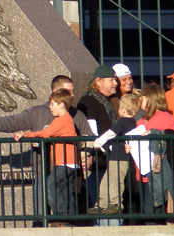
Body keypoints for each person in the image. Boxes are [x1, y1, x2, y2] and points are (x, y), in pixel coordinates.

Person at [0, 74, 92, 221]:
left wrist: (87, 156)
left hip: (67, 171)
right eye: (68, 91)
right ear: (55, 93)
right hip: (42, 171)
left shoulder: (77, 115)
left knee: (68, 210)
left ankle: (66, 225)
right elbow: (12, 122)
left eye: (72, 91)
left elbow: (89, 139)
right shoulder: (36, 112)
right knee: (41, 215)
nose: (73, 94)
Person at [14, 89, 80, 223]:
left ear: (61, 104)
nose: (50, 107)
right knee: (63, 188)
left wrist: (25, 134)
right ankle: (68, 217)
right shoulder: (62, 119)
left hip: (66, 161)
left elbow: (46, 133)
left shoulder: (63, 119)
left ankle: (60, 216)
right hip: (66, 161)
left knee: (50, 185)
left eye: (52, 104)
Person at [134, 83, 174, 218]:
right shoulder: (141, 120)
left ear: (151, 98)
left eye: (143, 96)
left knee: (154, 217)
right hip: (141, 174)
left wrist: (155, 133)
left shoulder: (165, 117)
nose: (140, 99)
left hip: (157, 174)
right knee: (147, 215)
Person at [77, 65, 119, 209]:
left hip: (106, 161)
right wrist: (92, 155)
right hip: (97, 165)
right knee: (101, 206)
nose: (116, 83)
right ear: (99, 81)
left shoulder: (105, 100)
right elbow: (90, 133)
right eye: (112, 80)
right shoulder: (89, 101)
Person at [90, 92, 139, 215]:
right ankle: (102, 204)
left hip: (119, 158)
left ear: (122, 109)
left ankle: (114, 203)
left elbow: (110, 133)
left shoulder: (123, 122)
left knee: (114, 181)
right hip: (118, 156)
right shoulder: (133, 122)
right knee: (109, 180)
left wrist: (98, 142)